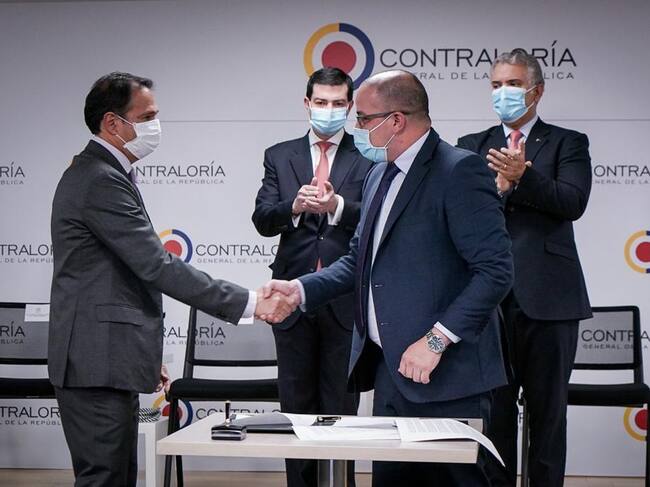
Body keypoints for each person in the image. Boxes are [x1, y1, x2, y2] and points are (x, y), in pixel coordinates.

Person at [265, 70, 513, 486]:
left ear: (396, 120)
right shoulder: (380, 174)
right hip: (391, 374)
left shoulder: (459, 171)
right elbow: (357, 261)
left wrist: (436, 340)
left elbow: (495, 271)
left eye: (363, 118)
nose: (356, 127)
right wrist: (299, 289)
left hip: (447, 377)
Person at [48, 72, 296, 487]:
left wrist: (142, 353)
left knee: (116, 476)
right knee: (104, 478)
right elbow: (157, 266)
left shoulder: (105, 173)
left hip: (108, 358)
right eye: (146, 117)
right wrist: (251, 303)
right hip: (95, 363)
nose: (155, 126)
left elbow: (119, 278)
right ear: (112, 123)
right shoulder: (99, 179)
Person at [457, 49, 592, 486]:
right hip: (488, 302)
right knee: (492, 415)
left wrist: (524, 177)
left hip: (550, 299)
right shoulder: (470, 145)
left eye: (513, 85)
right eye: (496, 85)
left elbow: (573, 201)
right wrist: (497, 189)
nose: (504, 93)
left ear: (537, 91)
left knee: (548, 417)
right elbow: (462, 213)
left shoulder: (568, 142)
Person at [252, 67, 372, 487]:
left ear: (350, 106)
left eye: (338, 103)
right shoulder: (279, 155)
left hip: (344, 298)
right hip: (291, 298)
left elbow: (376, 220)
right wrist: (294, 207)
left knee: (341, 409)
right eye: (321, 102)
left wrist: (337, 206)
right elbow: (262, 219)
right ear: (307, 103)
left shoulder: (369, 155)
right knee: (296, 409)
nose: (329, 110)